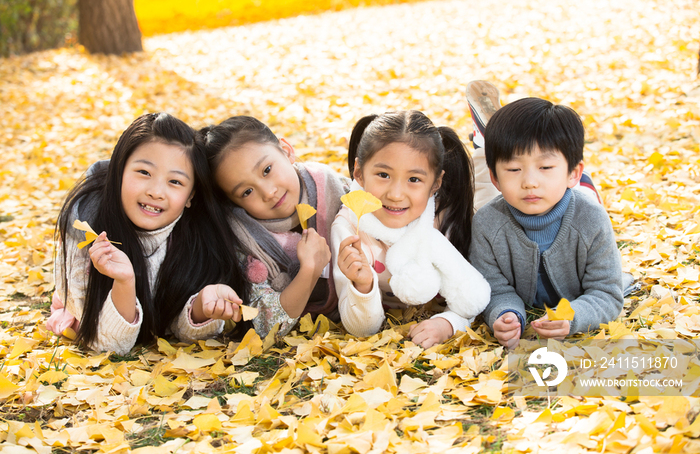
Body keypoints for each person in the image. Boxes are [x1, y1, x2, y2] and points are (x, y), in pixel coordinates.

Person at [49, 113, 250, 355]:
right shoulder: (85, 232)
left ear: (191, 196)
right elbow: (110, 345)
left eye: (175, 182)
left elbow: (178, 329)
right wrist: (124, 282)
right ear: (119, 171)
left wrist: (202, 306)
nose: (156, 192)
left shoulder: (196, 235)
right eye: (144, 172)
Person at [468, 94, 625, 349]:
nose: (530, 181)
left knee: (585, 199)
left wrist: (573, 316)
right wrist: (505, 313)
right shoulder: (487, 224)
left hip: (576, 200)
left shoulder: (591, 219)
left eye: (545, 167)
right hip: (502, 203)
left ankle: (580, 183)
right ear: (497, 177)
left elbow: (606, 293)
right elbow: (493, 288)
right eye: (513, 169)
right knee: (480, 193)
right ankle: (481, 144)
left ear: (573, 171)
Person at [332, 110, 491, 349]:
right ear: (358, 172)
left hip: (470, 203)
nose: (396, 194)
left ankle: (484, 147)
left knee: (488, 198)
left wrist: (448, 322)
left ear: (436, 183)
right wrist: (362, 286)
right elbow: (361, 328)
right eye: (383, 175)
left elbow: (470, 294)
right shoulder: (349, 229)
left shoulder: (441, 217)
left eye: (413, 179)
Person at [201, 116, 350, 337]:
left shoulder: (336, 189)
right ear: (234, 203)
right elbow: (266, 326)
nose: (268, 192)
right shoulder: (246, 240)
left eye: (267, 169)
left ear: (286, 150)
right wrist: (309, 270)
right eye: (247, 192)